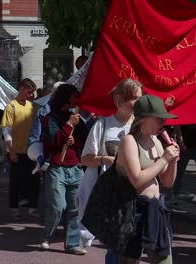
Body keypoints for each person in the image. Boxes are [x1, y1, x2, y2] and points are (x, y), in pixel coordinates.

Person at [78, 78, 142, 258]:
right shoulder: (102, 125)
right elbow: (85, 159)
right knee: (114, 245)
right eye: (135, 98)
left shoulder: (141, 126)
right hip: (112, 194)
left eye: (140, 97)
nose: (139, 102)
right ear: (120, 99)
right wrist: (105, 159)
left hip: (136, 193)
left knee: (133, 247)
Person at [115, 95, 179, 263]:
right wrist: (164, 159)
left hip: (155, 209)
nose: (163, 123)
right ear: (144, 118)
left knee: (164, 260)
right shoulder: (129, 141)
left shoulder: (156, 141)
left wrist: (172, 161)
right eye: (158, 119)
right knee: (129, 260)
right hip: (133, 211)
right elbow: (137, 180)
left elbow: (167, 182)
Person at [41, 84, 88, 255]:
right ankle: (47, 236)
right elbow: (52, 141)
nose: (78, 99)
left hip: (75, 168)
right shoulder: (50, 118)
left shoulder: (76, 118)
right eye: (75, 96)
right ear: (66, 98)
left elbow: (84, 139)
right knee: (58, 207)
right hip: (57, 168)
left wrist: (75, 140)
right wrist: (68, 125)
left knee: (74, 209)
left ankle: (72, 244)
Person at [1, 78, 38, 219]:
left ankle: (32, 208)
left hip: (31, 151)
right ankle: (14, 208)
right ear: (22, 89)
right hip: (16, 151)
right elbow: (6, 131)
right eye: (29, 92)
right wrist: (11, 151)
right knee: (15, 181)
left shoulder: (31, 106)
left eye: (32, 93)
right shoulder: (11, 106)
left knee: (33, 180)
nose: (30, 95)